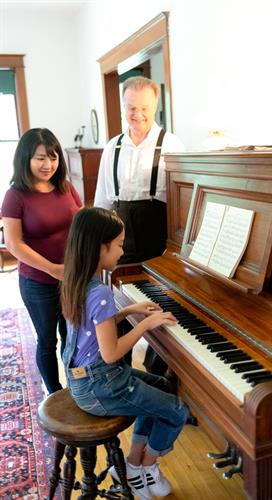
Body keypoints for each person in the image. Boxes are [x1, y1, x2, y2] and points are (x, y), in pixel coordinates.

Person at [61, 207, 189, 500]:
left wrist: (129, 311)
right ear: (99, 247)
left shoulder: (78, 279)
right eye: (118, 244)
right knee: (177, 410)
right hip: (101, 385)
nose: (122, 250)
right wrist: (146, 323)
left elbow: (95, 330)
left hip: (86, 381)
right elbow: (111, 352)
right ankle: (142, 467)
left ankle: (132, 464)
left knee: (160, 386)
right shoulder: (100, 292)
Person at [94, 76, 185, 373]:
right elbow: (102, 202)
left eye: (144, 108)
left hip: (160, 244)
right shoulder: (113, 148)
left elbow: (183, 205)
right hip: (121, 246)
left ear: (155, 106)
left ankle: (158, 373)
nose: (138, 115)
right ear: (123, 108)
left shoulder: (172, 145)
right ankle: (117, 374)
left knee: (163, 309)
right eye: (131, 108)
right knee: (118, 311)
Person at [1, 128, 82, 394]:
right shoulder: (15, 196)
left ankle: (77, 390)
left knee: (73, 337)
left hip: (71, 277)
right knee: (48, 340)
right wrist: (53, 269)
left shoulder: (66, 188)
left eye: (53, 156)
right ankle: (55, 395)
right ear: (25, 158)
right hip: (38, 283)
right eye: (40, 158)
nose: (48, 164)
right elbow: (14, 244)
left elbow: (82, 224)